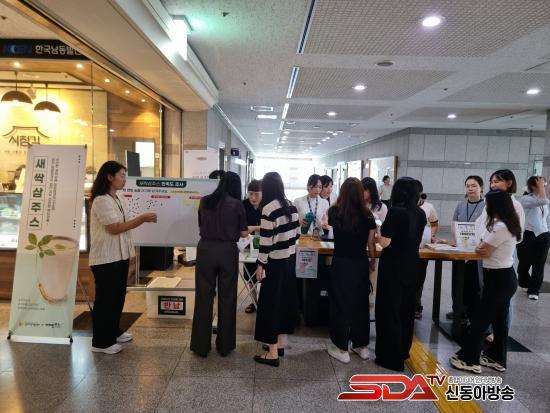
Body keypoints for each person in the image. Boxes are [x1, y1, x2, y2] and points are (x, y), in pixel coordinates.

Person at [89, 161, 157, 354]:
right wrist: (142, 219)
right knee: (105, 300)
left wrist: (130, 254)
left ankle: (113, 331)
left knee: (117, 297)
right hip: (105, 258)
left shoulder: (117, 198)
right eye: (121, 176)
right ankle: (101, 342)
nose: (124, 180)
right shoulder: (101, 200)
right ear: (109, 177)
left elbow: (124, 226)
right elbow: (115, 228)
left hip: (120, 255)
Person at [450, 190, 520, 374]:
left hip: (499, 279)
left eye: (488, 204)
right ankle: (496, 357)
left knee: (480, 320)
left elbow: (483, 249)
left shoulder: (500, 227)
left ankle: (469, 359)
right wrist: (481, 242)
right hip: (503, 277)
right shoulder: (507, 223)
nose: (486, 207)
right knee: (499, 321)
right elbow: (481, 244)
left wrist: (481, 243)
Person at [190, 171, 248, 357]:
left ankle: (200, 346)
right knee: (227, 298)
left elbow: (200, 225)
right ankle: (225, 346)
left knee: (203, 297)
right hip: (227, 252)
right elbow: (244, 233)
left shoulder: (205, 200)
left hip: (205, 249)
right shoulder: (237, 204)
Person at [375, 177, 426, 372]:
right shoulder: (420, 213)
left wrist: (378, 230)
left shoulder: (396, 211)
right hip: (412, 265)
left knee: (390, 310)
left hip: (393, 266)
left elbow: (385, 242)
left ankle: (390, 357)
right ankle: (403, 351)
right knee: (406, 310)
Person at [326, 178, 377, 364]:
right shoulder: (368, 214)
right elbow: (371, 243)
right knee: (361, 303)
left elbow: (330, 217)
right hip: (360, 263)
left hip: (341, 263)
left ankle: (341, 349)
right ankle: (361, 346)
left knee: (340, 303)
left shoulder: (335, 212)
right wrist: (372, 261)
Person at [253, 172, 300, 367]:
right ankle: (279, 345)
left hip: (274, 264)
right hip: (289, 261)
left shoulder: (268, 209)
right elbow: (297, 235)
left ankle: (272, 354)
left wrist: (260, 265)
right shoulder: (291, 205)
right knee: (283, 304)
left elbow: (266, 243)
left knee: (269, 306)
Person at [448, 176, 485, 322]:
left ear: (481, 188)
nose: (470, 188)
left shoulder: (486, 206)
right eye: (468, 186)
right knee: (458, 282)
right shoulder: (460, 205)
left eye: (474, 185)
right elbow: (454, 224)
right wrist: (457, 241)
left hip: (476, 252)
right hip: (460, 250)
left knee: (473, 283)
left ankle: (472, 313)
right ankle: (458, 310)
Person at [517, 176, 550, 300]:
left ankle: (534, 290)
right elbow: (543, 201)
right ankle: (524, 282)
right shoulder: (525, 199)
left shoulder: (543, 200)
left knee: (539, 264)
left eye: (544, 185)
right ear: (532, 186)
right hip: (527, 234)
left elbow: (546, 218)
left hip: (543, 235)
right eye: (541, 184)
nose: (543, 187)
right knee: (524, 263)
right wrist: (541, 187)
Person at [415, 191, 439, 319]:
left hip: (422, 248)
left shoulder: (429, 207)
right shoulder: (401, 206)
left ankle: (416, 306)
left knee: (419, 277)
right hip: (405, 249)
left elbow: (434, 224)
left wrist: (431, 235)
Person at [243, 179, 262, 313]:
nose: (253, 198)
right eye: (250, 194)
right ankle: (254, 302)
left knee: (263, 275)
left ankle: (264, 302)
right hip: (246, 244)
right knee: (250, 276)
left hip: (264, 245)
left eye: (256, 194)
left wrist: (254, 228)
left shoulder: (267, 206)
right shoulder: (242, 205)